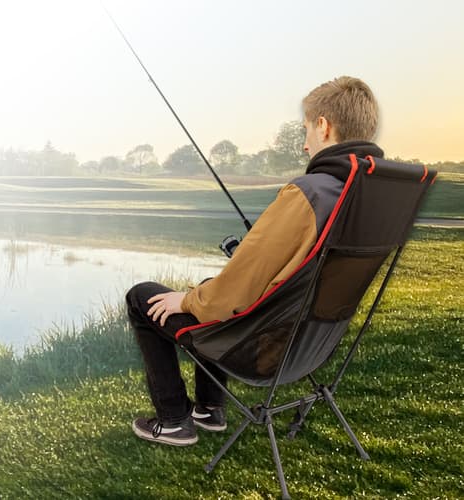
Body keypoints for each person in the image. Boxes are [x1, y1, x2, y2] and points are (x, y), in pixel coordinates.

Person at [126, 75, 383, 446]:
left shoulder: (310, 193)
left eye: (307, 129)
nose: (305, 142)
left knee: (143, 296)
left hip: (264, 350)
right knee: (209, 291)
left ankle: (173, 421)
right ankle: (209, 410)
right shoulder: (366, 197)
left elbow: (231, 296)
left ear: (324, 127)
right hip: (313, 345)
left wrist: (186, 299)